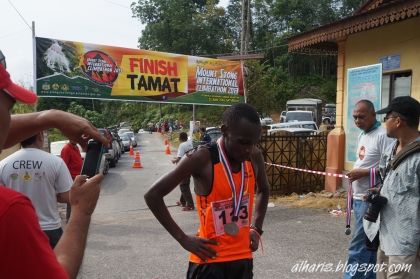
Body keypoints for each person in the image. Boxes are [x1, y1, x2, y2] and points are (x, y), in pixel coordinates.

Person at [0, 50, 107, 278]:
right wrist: (81, 212)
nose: (10, 120)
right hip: (51, 227)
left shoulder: (5, 165)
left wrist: (50, 117)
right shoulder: (9, 209)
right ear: (40, 138)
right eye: (9, 109)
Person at [145, 103, 270, 278]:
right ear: (225, 131)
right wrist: (183, 239)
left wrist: (256, 228)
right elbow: (153, 195)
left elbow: (264, 190)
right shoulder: (202, 158)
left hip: (242, 258)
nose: (248, 149)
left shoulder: (254, 156)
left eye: (253, 143)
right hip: (209, 261)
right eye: (242, 142)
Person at [344, 100, 394, 279]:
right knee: (369, 245)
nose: (358, 121)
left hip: (370, 200)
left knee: (359, 246)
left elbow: (390, 168)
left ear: (373, 115)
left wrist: (363, 172)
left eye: (362, 117)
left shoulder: (384, 135)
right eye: (355, 117)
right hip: (357, 197)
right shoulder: (363, 135)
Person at [373, 96, 420, 279]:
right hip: (386, 239)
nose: (384, 123)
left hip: (407, 246)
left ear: (398, 121)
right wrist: (379, 191)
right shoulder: (391, 150)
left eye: (387, 118)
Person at [0, 132, 73, 248]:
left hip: (16, 229)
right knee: (54, 265)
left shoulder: (3, 164)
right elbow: (67, 196)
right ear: (39, 136)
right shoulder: (56, 162)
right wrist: (50, 194)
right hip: (49, 229)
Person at [61, 139, 84, 221]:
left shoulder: (76, 147)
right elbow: (63, 166)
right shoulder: (66, 149)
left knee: (78, 200)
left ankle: (76, 219)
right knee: (71, 201)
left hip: (78, 178)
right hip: (71, 179)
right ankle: (69, 220)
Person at [172, 132, 194, 211]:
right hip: (190, 166)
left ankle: (190, 205)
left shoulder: (182, 145)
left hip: (183, 167)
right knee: (185, 185)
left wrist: (174, 160)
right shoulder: (189, 143)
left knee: (183, 186)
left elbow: (179, 158)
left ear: (179, 138)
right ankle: (182, 201)